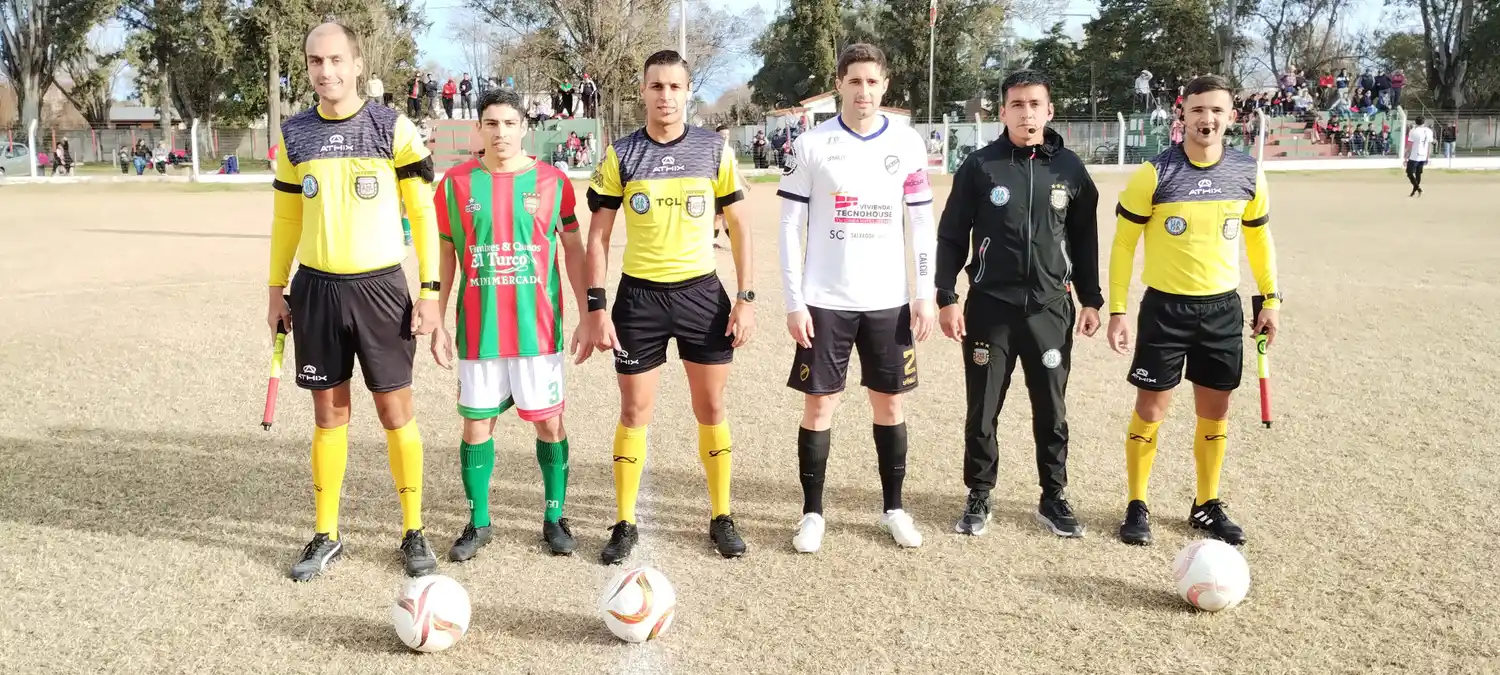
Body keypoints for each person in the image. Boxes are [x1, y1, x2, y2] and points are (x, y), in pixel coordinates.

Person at [266, 22, 443, 581]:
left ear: (358, 63)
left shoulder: (394, 128)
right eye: (316, 62)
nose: (327, 72)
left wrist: (431, 292)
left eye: (337, 60)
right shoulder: (295, 135)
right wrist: (276, 286)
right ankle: (326, 533)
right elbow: (287, 217)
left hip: (380, 289)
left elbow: (423, 216)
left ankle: (413, 530)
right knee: (328, 414)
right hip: (316, 289)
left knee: (396, 412)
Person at [579, 49, 755, 565]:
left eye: (674, 87)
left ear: (687, 91)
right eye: (656, 87)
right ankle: (625, 520)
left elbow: (741, 227)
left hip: (702, 295)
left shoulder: (714, 150)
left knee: (712, 407)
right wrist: (596, 307)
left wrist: (745, 299)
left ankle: (721, 515)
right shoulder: (621, 155)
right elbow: (598, 238)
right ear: (644, 92)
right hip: (640, 301)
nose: (665, 96)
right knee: (634, 410)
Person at [1106, 74, 1281, 547]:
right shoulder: (1155, 174)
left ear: (1232, 117)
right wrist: (1118, 309)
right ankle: (1137, 503)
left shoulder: (1248, 173)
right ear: (1181, 113)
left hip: (1222, 310)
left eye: (1217, 111)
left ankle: (1206, 504)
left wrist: (1270, 299)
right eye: (1198, 110)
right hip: (1165, 309)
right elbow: (1124, 244)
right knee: (1151, 407)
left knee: (1216, 410)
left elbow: (1259, 240)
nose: (1207, 119)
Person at [777, 43, 937, 553]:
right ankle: (811, 515)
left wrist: (925, 293)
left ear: (884, 86)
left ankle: (894, 508)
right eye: (854, 80)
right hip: (825, 299)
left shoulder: (909, 144)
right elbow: (788, 225)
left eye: (872, 81)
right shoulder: (812, 145)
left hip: (888, 301)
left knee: (889, 403)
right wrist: (794, 301)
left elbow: (921, 222)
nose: (863, 90)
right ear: (840, 83)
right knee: (819, 406)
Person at [934, 69, 1103, 539]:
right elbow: (951, 236)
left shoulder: (1069, 168)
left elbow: (1085, 238)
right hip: (990, 306)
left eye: (1035, 104)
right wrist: (947, 296)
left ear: (1049, 111)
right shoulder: (980, 166)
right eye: (1017, 105)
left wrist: (1091, 299)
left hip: (1050, 308)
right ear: (1003, 111)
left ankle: (1054, 496)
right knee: (983, 407)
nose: (1026, 113)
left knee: (1051, 407)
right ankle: (979, 493)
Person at [428, 88, 588, 560]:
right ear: (479, 128)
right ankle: (478, 522)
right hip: (480, 331)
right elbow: (446, 254)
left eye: (509, 124)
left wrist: (588, 310)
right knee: (477, 428)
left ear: (524, 127)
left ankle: (554, 515)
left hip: (538, 330)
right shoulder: (455, 184)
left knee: (550, 425)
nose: (500, 132)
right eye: (491, 124)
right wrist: (435, 313)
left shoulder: (553, 181)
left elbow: (573, 250)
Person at [1405, 116, 1434, 197]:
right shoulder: (1429, 131)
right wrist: (1427, 157)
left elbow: (1410, 145)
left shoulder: (1413, 131)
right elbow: (1429, 145)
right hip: (1423, 155)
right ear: (1424, 122)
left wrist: (1406, 155)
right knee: (1418, 174)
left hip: (1415, 155)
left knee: (1409, 173)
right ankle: (1414, 191)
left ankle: (1418, 189)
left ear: (1415, 122)